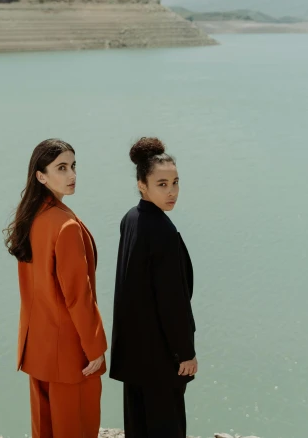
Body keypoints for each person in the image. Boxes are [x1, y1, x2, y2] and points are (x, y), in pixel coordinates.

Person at [4, 138, 108, 438]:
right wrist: (95, 349)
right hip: (71, 355)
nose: (71, 174)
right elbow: (78, 297)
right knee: (76, 429)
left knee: (45, 431)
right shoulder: (66, 226)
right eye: (61, 168)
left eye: (73, 166)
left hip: (39, 350)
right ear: (41, 175)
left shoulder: (30, 218)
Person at [109, 136, 198, 438]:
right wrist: (185, 352)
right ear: (141, 185)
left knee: (139, 427)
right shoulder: (162, 231)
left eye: (175, 182)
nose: (172, 191)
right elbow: (171, 300)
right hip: (161, 356)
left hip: (135, 354)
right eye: (162, 184)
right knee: (166, 428)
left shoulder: (131, 219)